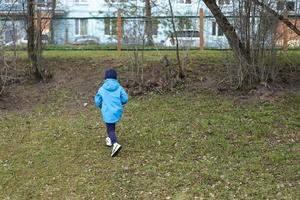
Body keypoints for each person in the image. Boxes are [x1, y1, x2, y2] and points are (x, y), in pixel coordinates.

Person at [94, 69, 128, 157]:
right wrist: (119, 103)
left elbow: (97, 101)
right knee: (111, 124)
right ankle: (109, 139)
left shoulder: (102, 89)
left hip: (107, 111)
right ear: (115, 78)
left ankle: (115, 144)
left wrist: (101, 105)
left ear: (105, 78)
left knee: (110, 128)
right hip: (117, 111)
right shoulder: (119, 87)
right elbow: (125, 99)